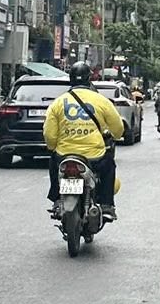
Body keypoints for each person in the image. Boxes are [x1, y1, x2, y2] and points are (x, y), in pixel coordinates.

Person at [43, 79, 126, 216]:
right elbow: (118, 128)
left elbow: (49, 134)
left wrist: (52, 147)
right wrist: (115, 135)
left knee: (53, 161)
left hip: (64, 155)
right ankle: (106, 205)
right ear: (89, 80)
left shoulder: (58, 102)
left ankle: (57, 199)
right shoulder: (102, 101)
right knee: (109, 165)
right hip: (94, 157)